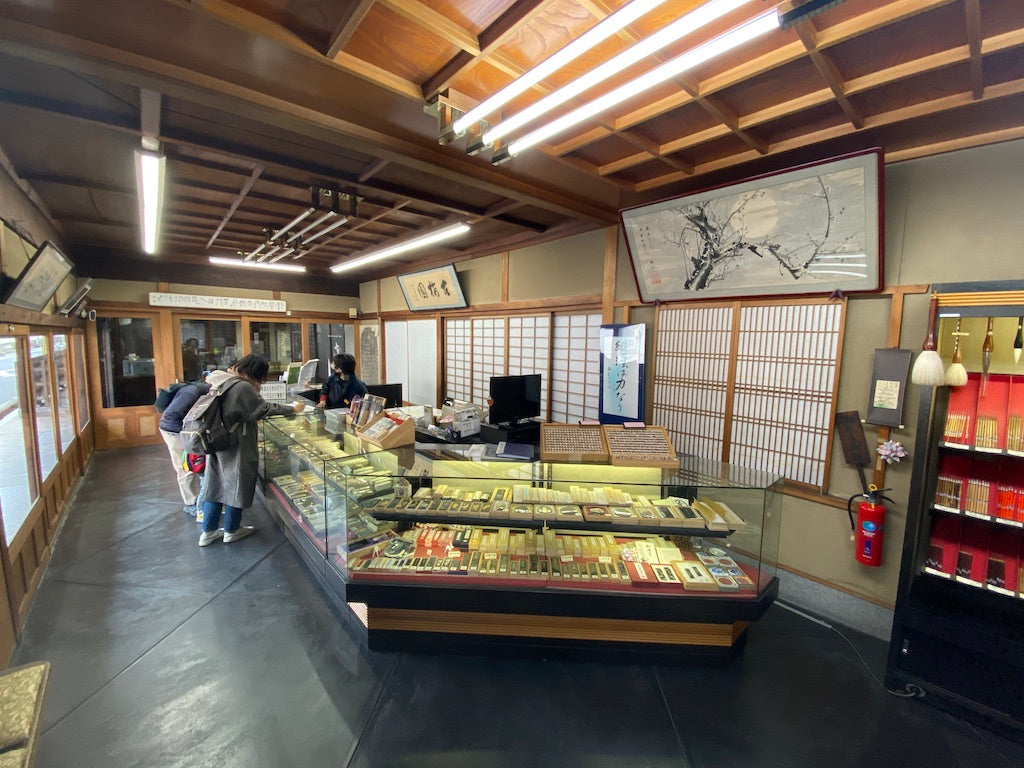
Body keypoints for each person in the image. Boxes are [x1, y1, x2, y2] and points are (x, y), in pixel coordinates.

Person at [199, 354, 305, 547]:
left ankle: (208, 531)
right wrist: (292, 409)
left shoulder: (223, 380)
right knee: (237, 484)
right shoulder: (242, 387)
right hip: (237, 442)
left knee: (215, 485)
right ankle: (231, 529)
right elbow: (262, 409)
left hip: (218, 439)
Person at [158, 377, 211, 516]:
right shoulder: (192, 393)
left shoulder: (199, 391)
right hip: (172, 430)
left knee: (194, 464)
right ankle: (191, 503)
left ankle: (201, 501)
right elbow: (173, 416)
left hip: (179, 427)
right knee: (185, 467)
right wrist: (189, 437)